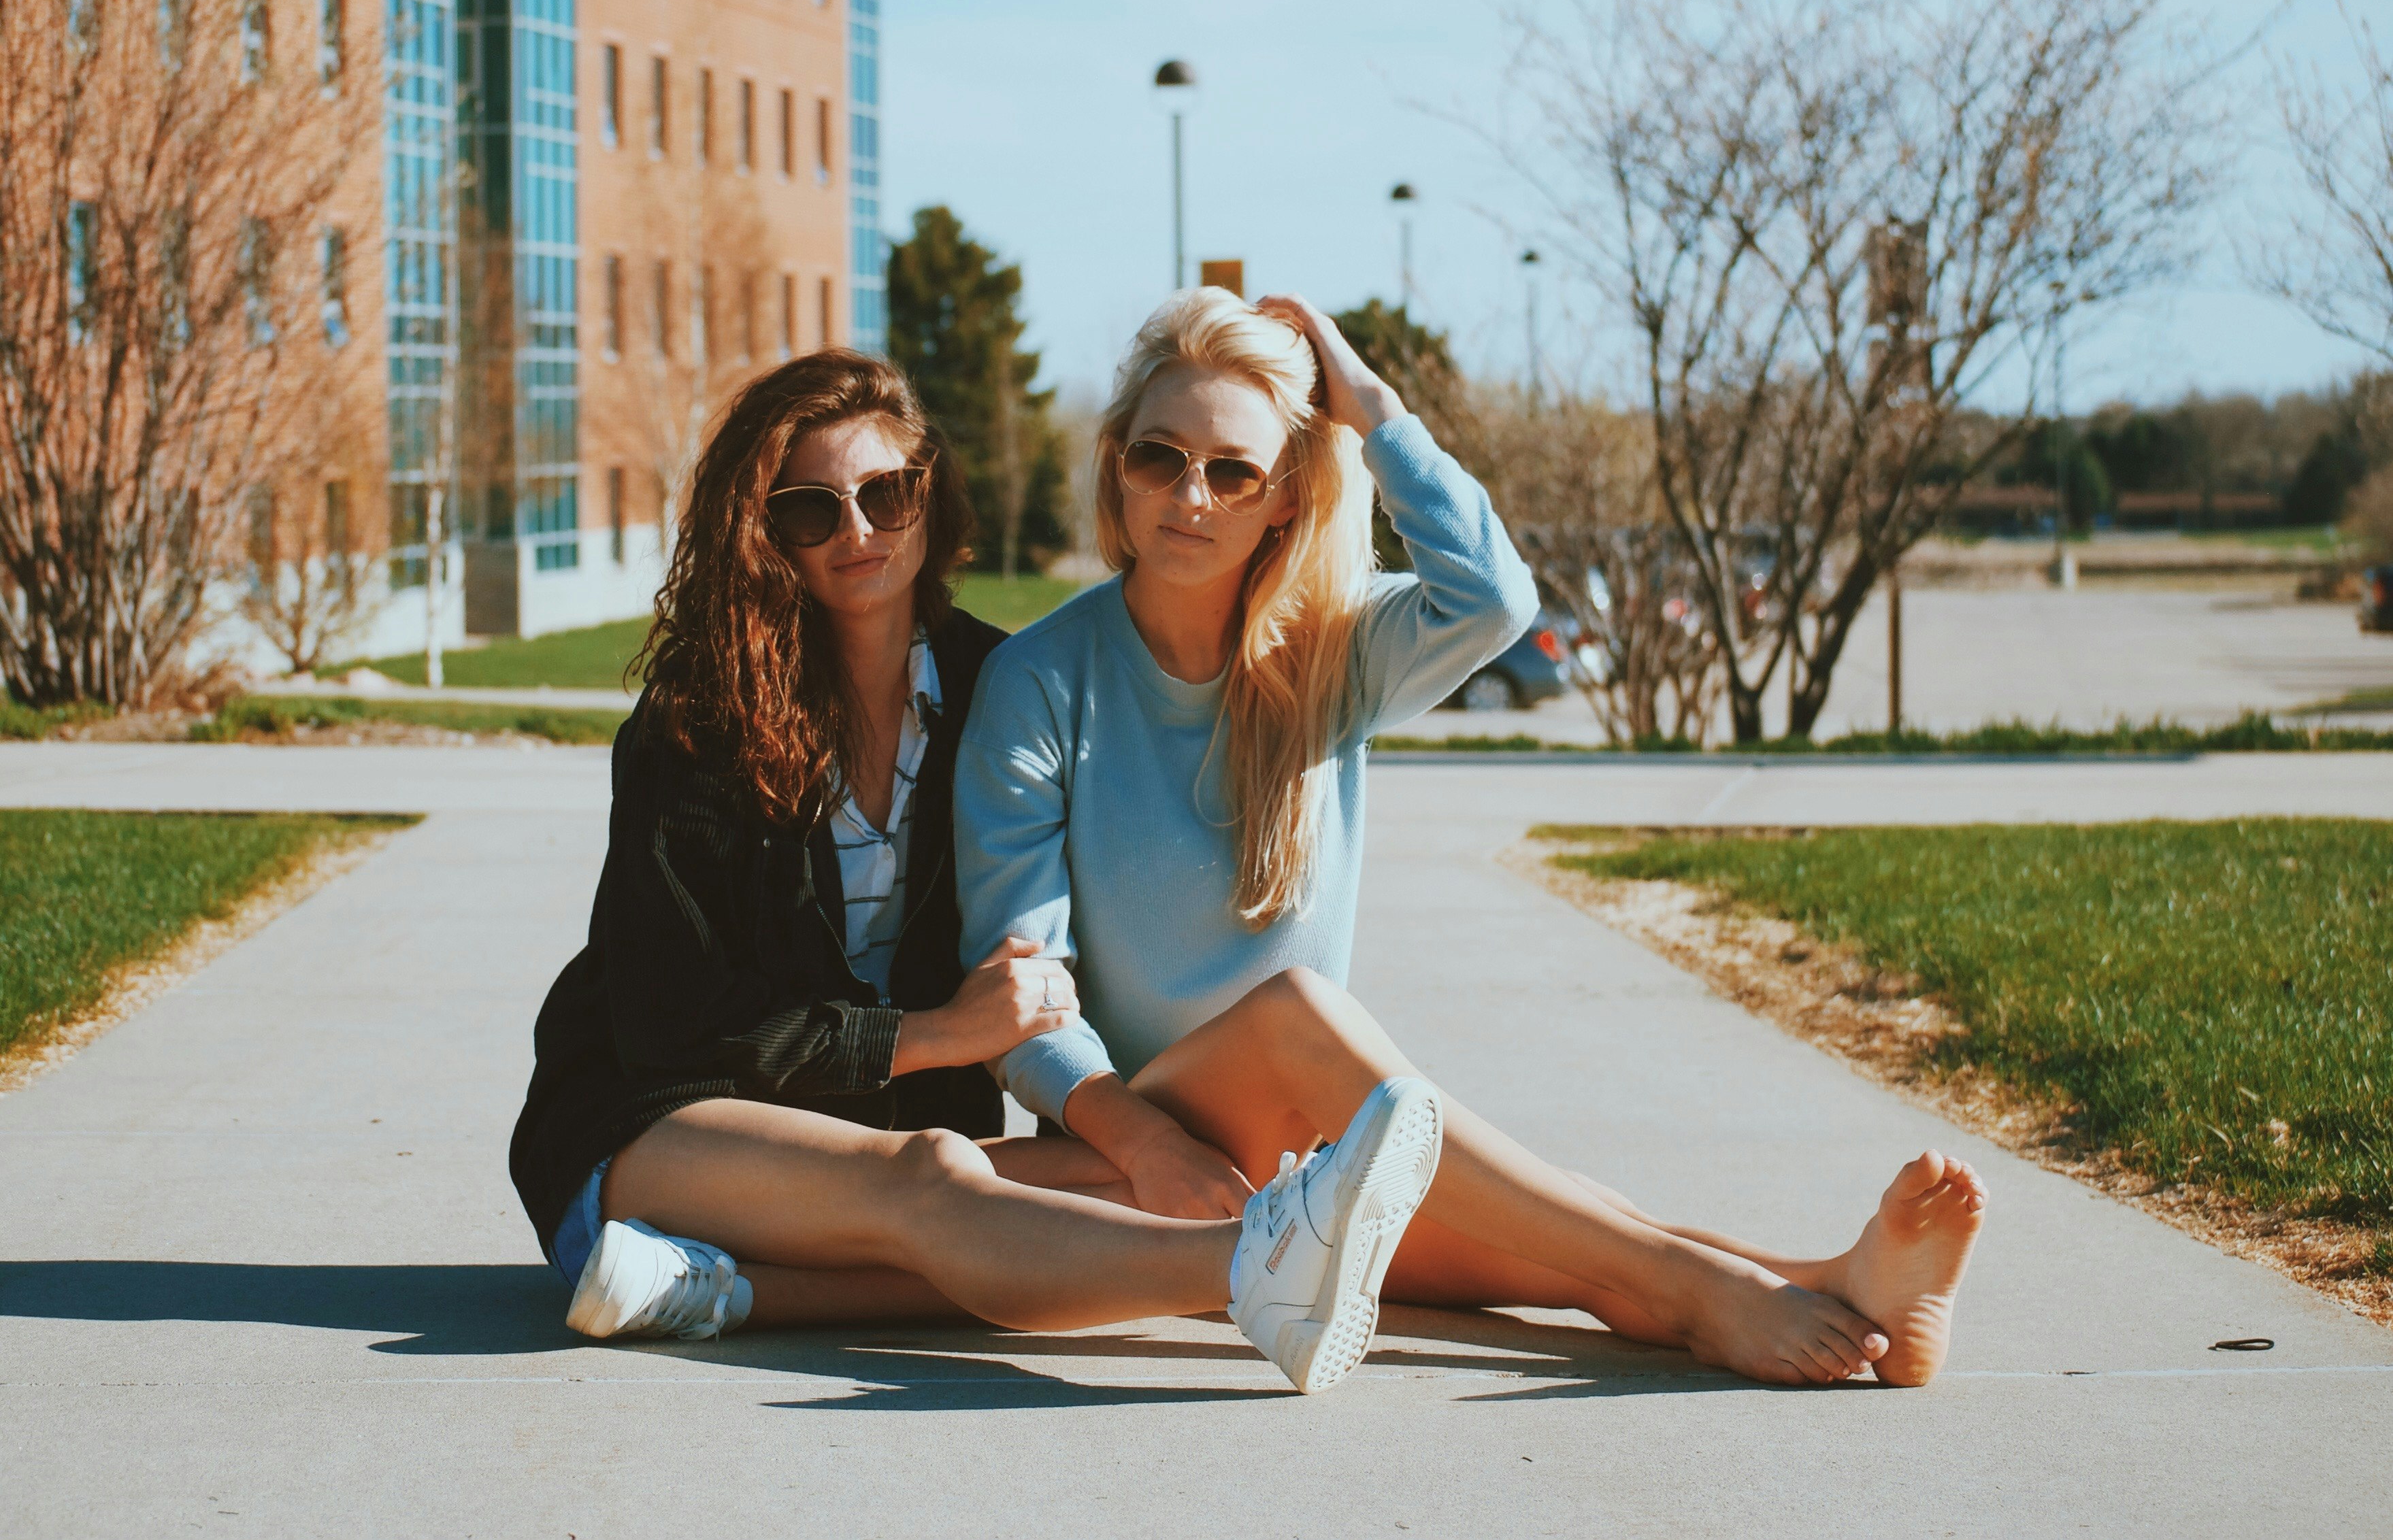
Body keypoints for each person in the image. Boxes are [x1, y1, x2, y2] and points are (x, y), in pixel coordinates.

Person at [955, 290, 1987, 1388]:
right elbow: (1021, 996)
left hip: (1306, 1141)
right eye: (1159, 457)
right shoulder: (1040, 680)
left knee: (1565, 1256)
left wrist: (1374, 409)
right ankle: (1710, 1288)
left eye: (1233, 471)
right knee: (1306, 1014)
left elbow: (1492, 601)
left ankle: (1836, 1283)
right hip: (1142, 1138)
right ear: (1116, 465)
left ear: (1284, 496)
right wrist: (1145, 1140)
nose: (1189, 495)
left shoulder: (1335, 650)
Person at [505, 348, 1445, 1394]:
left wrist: (1370, 419)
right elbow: (667, 1020)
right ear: (765, 533)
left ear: (930, 490)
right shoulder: (696, 728)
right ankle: (1250, 1270)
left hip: (870, 1148)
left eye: (887, 493)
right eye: (813, 510)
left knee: (1155, 1173)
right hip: (662, 1123)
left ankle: (713, 1288)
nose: (859, 532)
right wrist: (939, 1036)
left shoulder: (1000, 685)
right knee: (938, 1177)